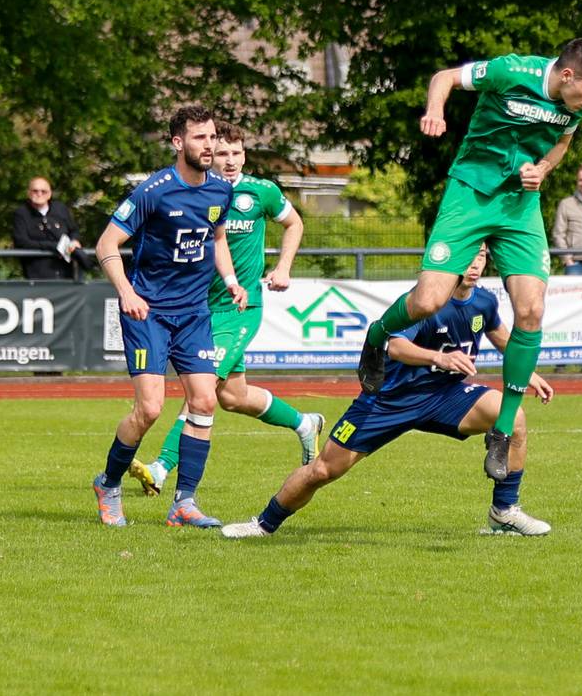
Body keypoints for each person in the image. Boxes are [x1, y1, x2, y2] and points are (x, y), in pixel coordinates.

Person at [356, 38, 582, 482]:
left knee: (531, 310)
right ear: (567, 76)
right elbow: (445, 78)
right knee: (428, 302)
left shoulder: (578, 105)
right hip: (470, 194)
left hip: (519, 205)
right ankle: (377, 336)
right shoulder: (511, 71)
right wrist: (435, 110)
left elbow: (562, 144)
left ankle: (502, 427)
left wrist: (544, 169)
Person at [222, 245, 555, 539]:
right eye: (467, 257)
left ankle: (504, 511)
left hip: (445, 397)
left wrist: (529, 374)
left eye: (480, 257)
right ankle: (263, 524)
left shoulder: (484, 301)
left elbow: (501, 336)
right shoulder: (424, 303)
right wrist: (438, 357)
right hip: (388, 401)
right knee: (323, 470)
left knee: (515, 418)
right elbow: (395, 346)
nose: (473, 264)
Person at [127, 123, 322, 497]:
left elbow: (295, 223)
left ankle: (161, 467)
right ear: (209, 155)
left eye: (237, 153)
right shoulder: (199, 193)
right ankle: (304, 423)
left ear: (245, 154)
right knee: (234, 396)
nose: (230, 160)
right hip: (200, 306)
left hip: (240, 306)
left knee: (204, 388)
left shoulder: (261, 191)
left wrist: (282, 267)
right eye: (222, 153)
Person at [89, 105, 247, 528]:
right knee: (151, 410)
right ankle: (108, 483)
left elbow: (215, 237)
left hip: (194, 313)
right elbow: (107, 243)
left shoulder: (220, 190)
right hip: (149, 313)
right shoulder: (153, 191)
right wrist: (126, 293)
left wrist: (230, 280)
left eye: (213, 137)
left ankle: (184, 502)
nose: (210, 145)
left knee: (205, 401)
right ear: (178, 143)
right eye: (200, 138)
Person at [11, 177, 88, 280]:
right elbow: (21, 242)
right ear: (28, 193)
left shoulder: (60, 209)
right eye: (35, 191)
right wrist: (54, 246)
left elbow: (73, 230)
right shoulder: (21, 214)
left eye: (43, 191)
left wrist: (74, 241)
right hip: (37, 273)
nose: (39, 194)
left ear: (50, 193)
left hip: (66, 271)